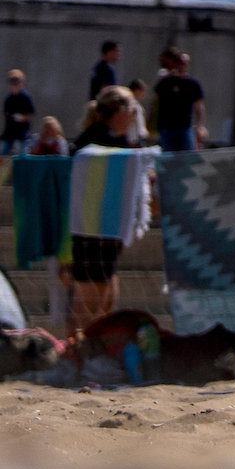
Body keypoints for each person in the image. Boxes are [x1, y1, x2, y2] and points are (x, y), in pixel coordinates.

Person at [66, 85, 153, 334]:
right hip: (89, 227)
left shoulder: (120, 141)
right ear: (119, 111)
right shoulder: (95, 138)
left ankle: (94, 348)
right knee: (88, 294)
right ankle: (78, 351)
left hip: (108, 227)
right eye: (132, 109)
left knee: (105, 292)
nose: (135, 116)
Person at [152, 47, 205, 152]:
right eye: (179, 62)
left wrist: (200, 126)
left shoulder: (192, 84)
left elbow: (199, 106)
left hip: (184, 126)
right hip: (167, 127)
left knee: (186, 157)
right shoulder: (166, 82)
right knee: (166, 157)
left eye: (184, 63)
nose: (181, 65)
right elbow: (156, 103)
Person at [3, 70, 33, 154]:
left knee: (22, 157)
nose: (14, 84)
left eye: (16, 81)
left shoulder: (25, 98)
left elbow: (29, 115)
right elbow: (6, 114)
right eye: (12, 81)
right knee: (3, 155)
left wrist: (20, 118)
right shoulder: (9, 99)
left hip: (21, 134)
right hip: (9, 134)